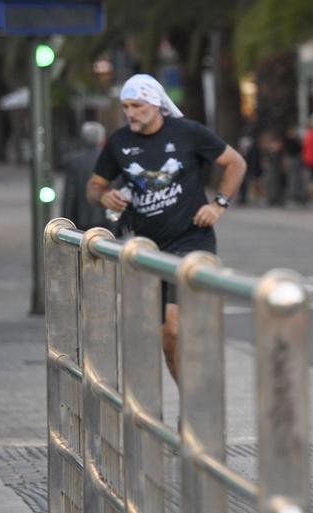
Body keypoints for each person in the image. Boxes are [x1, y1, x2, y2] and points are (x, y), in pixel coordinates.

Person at [87, 74, 247, 384]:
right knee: (167, 339)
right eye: (126, 106)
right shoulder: (120, 142)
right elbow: (93, 187)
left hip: (191, 240)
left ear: (157, 104)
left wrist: (218, 205)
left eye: (137, 105)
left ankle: (199, 399)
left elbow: (236, 162)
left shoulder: (188, 133)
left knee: (175, 325)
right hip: (147, 249)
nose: (131, 113)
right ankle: (190, 401)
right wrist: (105, 195)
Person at [61, 121, 111, 231]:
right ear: (102, 138)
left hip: (81, 220)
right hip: (108, 220)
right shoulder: (111, 159)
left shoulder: (74, 161)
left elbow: (70, 195)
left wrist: (66, 222)